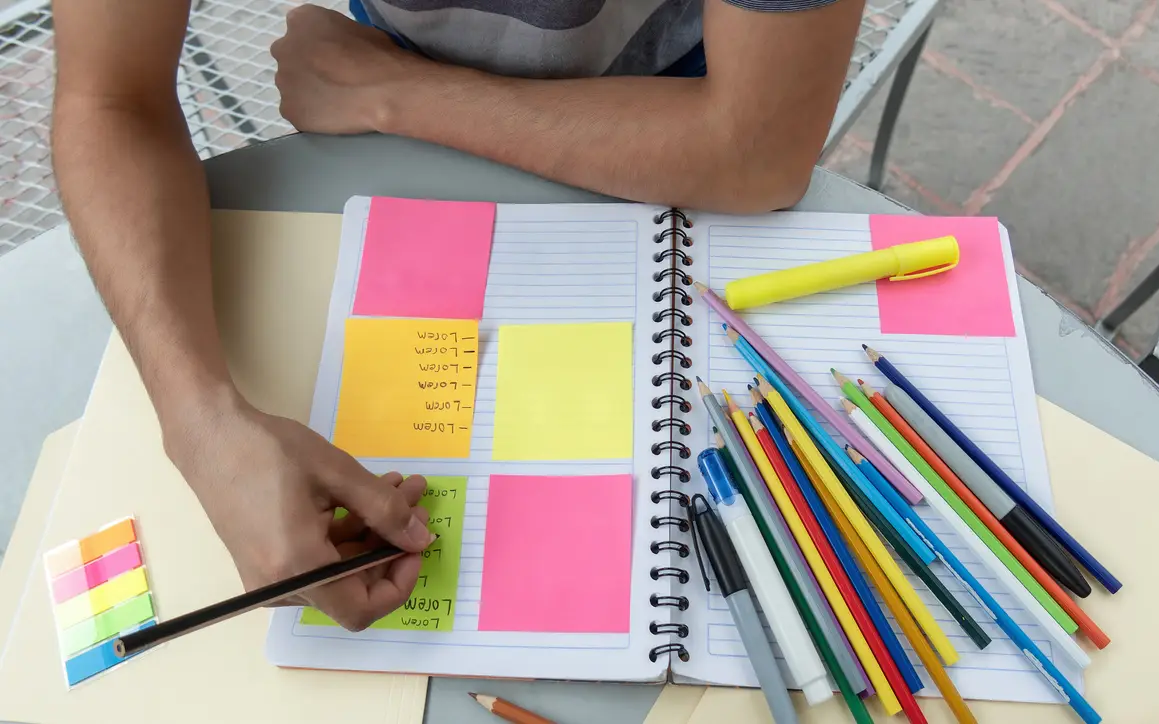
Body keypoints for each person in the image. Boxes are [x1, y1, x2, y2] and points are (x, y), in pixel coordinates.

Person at [49, 0, 864, 631]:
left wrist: (395, 93)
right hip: (380, 112)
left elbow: (755, 153)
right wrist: (198, 421)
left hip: (667, 103)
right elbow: (108, 97)